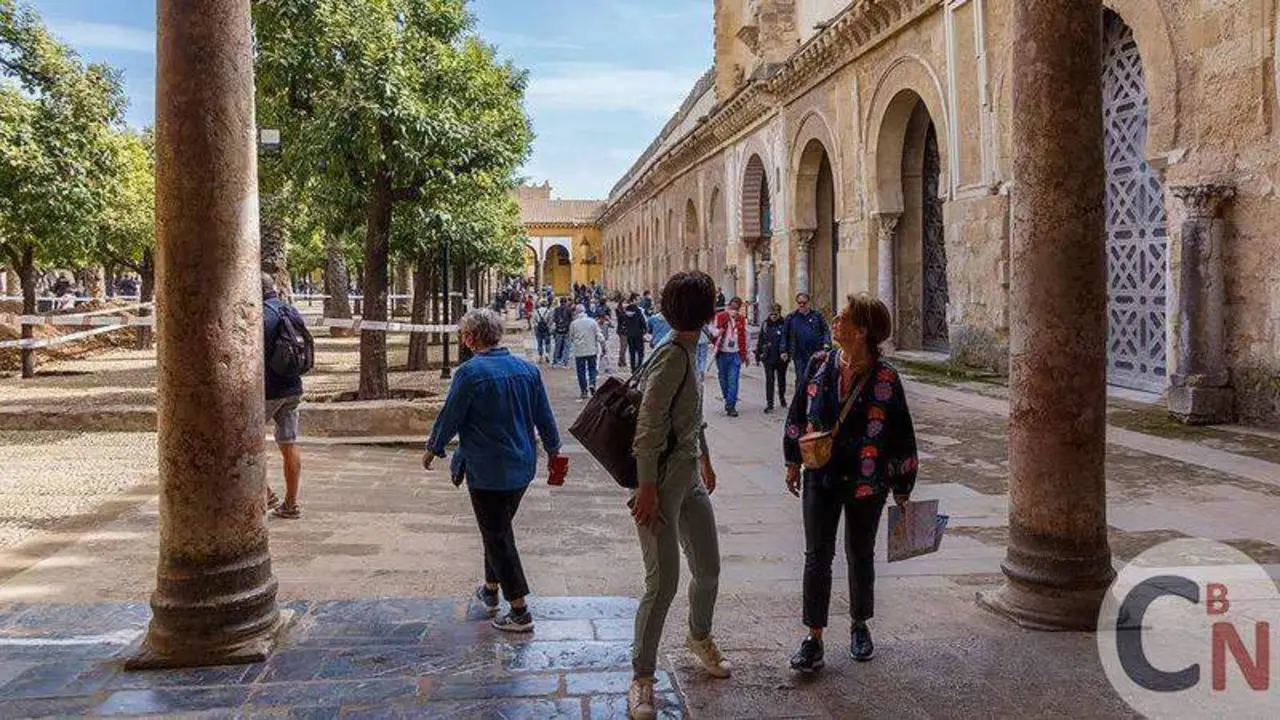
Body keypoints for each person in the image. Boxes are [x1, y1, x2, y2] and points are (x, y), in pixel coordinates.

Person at [782, 294, 919, 672]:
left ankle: (860, 625)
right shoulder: (818, 364)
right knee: (817, 557)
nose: (834, 322)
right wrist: (793, 460)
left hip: (866, 481)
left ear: (861, 332)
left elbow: (901, 433)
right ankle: (814, 636)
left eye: (842, 318)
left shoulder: (886, 377)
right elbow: (798, 413)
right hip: (821, 476)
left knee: (860, 555)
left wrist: (903, 484)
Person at [628, 271, 730, 720]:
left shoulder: (690, 350)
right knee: (662, 582)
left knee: (707, 568)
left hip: (688, 478)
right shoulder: (672, 357)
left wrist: (704, 457)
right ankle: (642, 678)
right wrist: (646, 487)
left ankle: (698, 635)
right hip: (660, 486)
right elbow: (648, 426)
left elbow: (690, 415)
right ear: (706, 310)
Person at [424, 308, 562, 633]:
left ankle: (519, 611)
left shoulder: (470, 374)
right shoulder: (527, 370)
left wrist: (434, 447)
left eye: (463, 335)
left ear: (471, 338)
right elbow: (545, 416)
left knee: (498, 536)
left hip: (487, 470)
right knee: (497, 529)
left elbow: (451, 415)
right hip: (522, 466)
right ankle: (490, 590)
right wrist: (554, 450)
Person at [262, 273, 305, 519]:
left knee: (249, 442)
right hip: (293, 387)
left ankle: (265, 493)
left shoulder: (263, 316)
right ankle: (291, 503)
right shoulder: (291, 311)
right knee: (289, 444)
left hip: (269, 390)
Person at [783, 292, 831, 387]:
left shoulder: (817, 316)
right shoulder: (791, 318)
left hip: (815, 353)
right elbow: (785, 335)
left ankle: (814, 400)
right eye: (799, 303)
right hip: (799, 354)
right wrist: (783, 350)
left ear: (808, 303)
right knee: (801, 378)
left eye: (804, 303)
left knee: (815, 378)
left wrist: (827, 344)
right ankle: (800, 400)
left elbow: (825, 330)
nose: (802, 305)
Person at [712, 297, 749, 417]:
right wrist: (718, 332)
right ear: (728, 307)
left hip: (735, 354)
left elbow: (745, 337)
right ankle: (727, 397)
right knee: (723, 380)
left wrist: (746, 354)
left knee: (733, 381)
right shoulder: (721, 316)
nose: (734, 310)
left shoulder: (742, 319)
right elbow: (712, 330)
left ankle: (731, 406)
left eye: (737, 308)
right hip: (722, 353)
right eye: (732, 308)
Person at [756, 303, 789, 413]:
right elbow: (761, 340)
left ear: (779, 313)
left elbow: (789, 340)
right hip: (768, 357)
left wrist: (788, 353)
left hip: (781, 358)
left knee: (781, 380)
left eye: (776, 314)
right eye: (772, 314)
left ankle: (782, 398)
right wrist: (758, 355)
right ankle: (770, 403)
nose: (773, 316)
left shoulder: (784, 324)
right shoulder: (765, 325)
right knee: (770, 380)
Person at [569, 304, 604, 399]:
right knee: (592, 369)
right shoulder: (592, 322)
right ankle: (592, 383)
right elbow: (599, 335)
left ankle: (583, 390)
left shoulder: (573, 323)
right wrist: (603, 344)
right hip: (592, 350)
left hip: (579, 351)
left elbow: (571, 337)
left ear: (576, 312)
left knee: (581, 371)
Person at [619, 293, 648, 371]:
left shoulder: (625, 311)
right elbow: (643, 324)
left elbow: (621, 321)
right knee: (640, 353)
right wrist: (644, 331)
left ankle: (633, 369)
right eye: (638, 299)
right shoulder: (638, 311)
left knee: (632, 353)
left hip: (629, 335)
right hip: (638, 335)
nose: (640, 301)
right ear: (634, 300)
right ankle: (638, 368)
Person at [552, 297, 573, 367]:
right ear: (566, 302)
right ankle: (565, 363)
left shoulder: (556, 309)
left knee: (557, 347)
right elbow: (571, 320)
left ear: (560, 302)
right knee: (566, 347)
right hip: (567, 330)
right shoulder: (569, 309)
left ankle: (555, 362)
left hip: (558, 330)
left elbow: (554, 320)